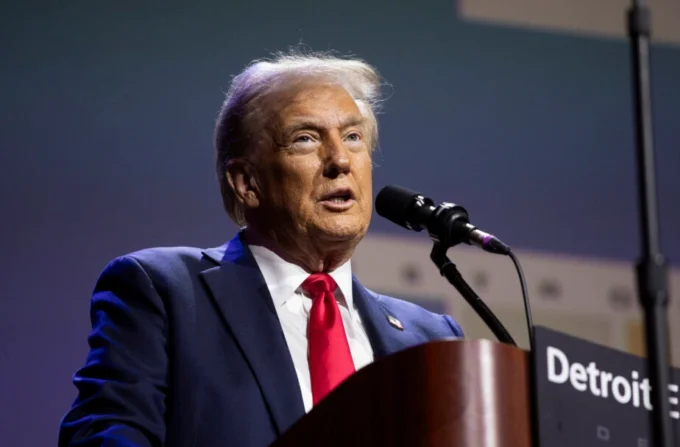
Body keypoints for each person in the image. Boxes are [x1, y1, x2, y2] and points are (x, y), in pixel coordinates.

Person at [58, 51, 465, 447]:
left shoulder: (430, 338)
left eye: (353, 137)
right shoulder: (164, 293)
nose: (340, 159)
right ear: (246, 183)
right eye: (305, 139)